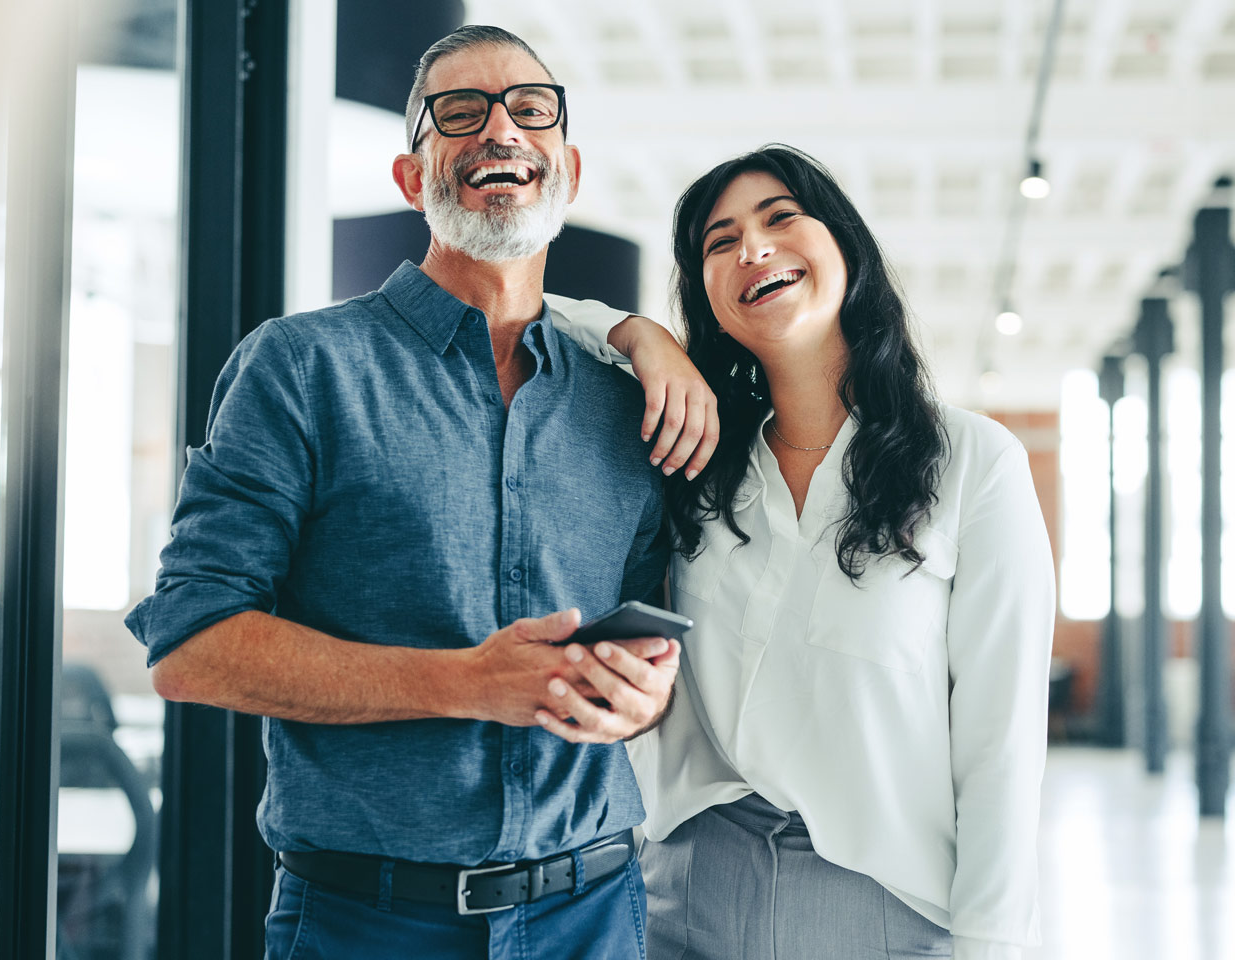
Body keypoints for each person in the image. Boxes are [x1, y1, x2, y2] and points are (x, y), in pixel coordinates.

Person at [126, 25, 717, 960]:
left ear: (566, 169)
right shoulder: (302, 366)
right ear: (412, 180)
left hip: (595, 913)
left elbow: (648, 631)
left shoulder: (626, 403)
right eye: (460, 113)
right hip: (366, 921)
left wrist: (638, 698)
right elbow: (191, 644)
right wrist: (468, 684)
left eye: (529, 110)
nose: (500, 130)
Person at [551, 145, 1055, 960]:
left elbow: (1002, 741)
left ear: (845, 248)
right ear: (709, 300)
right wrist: (636, 331)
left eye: (781, 218)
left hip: (885, 905)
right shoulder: (693, 463)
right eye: (720, 242)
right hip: (688, 892)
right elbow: (523, 316)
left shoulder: (972, 461)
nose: (752, 248)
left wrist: (991, 944)